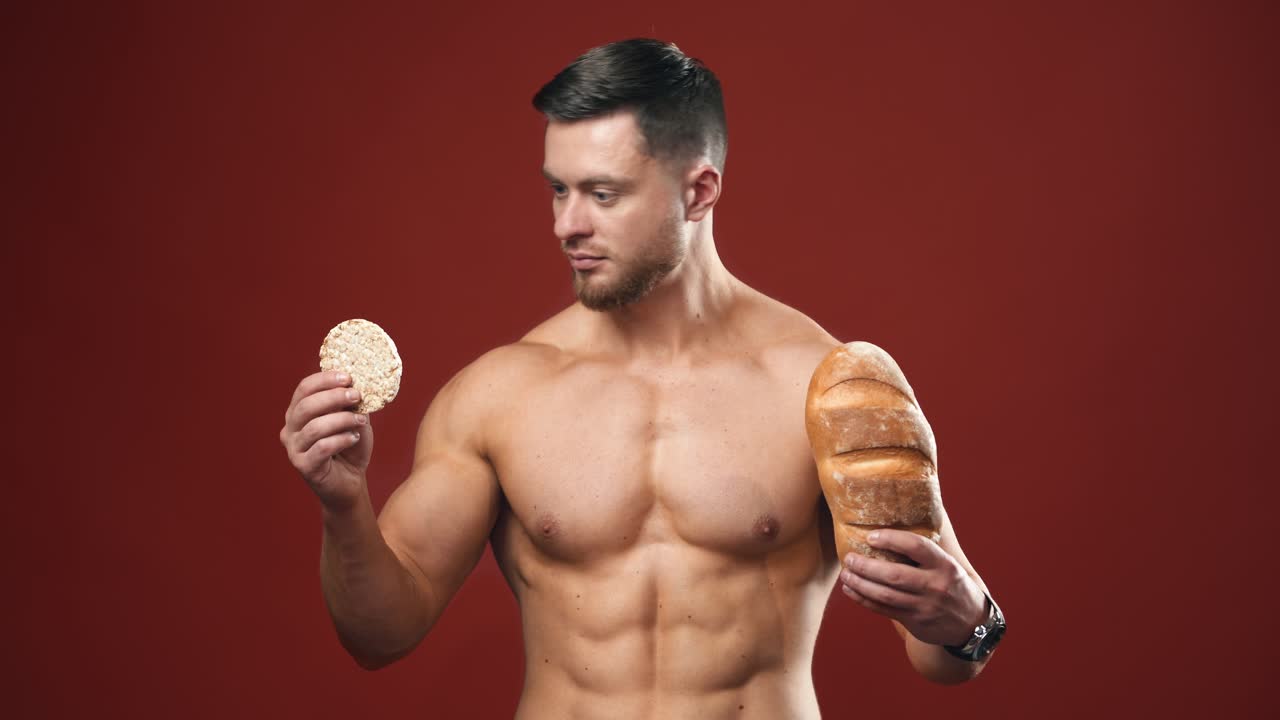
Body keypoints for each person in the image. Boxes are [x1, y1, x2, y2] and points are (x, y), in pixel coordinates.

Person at [280, 38, 1003, 718]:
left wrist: (967, 617)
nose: (568, 224)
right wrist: (343, 505)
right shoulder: (500, 394)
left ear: (699, 191)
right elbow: (380, 636)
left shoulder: (822, 385)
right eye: (558, 191)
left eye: (603, 193)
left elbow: (943, 653)